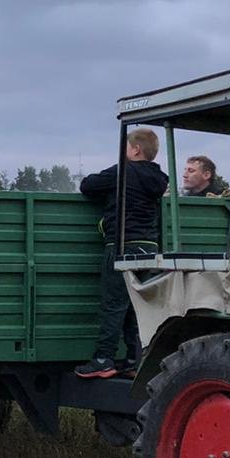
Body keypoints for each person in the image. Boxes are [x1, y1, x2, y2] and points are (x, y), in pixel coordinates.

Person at [75, 129, 168, 379]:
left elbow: (88, 185)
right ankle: (134, 360)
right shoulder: (159, 178)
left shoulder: (122, 172)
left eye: (127, 147)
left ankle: (103, 359)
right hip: (148, 248)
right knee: (136, 307)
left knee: (114, 305)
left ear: (136, 150)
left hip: (122, 247)